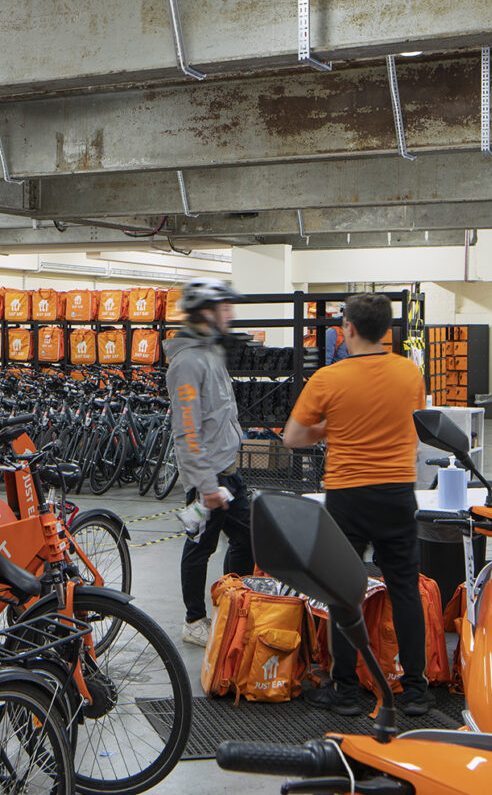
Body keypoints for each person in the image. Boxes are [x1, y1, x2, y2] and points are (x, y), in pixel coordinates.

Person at [282, 293, 431, 718]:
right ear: (386, 331)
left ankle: (346, 691)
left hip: (347, 496)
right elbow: (416, 429)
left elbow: (292, 437)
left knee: (344, 592)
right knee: (405, 589)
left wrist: (330, 429)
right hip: (397, 493)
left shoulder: (328, 378)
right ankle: (415, 692)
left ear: (347, 329)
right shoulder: (410, 373)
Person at [164, 279, 254, 646]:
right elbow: (186, 432)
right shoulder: (187, 363)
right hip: (208, 478)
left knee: (248, 539)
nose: (230, 314)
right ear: (205, 312)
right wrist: (206, 485)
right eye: (224, 308)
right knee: (200, 547)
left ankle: (233, 606)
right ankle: (194, 620)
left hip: (228, 473)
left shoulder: (210, 352)